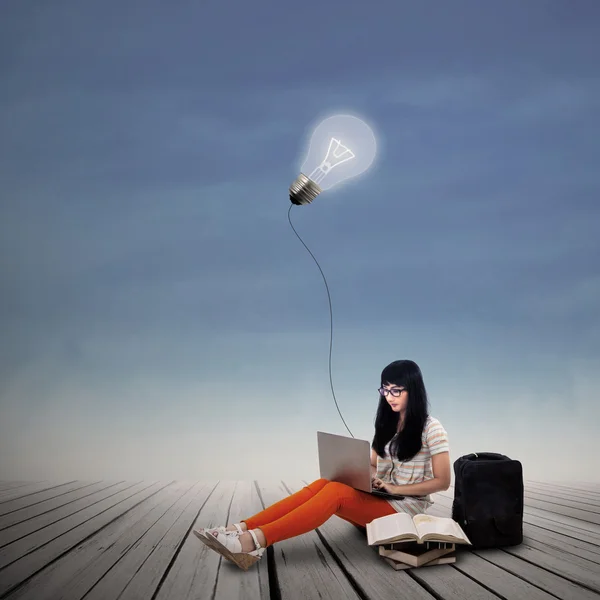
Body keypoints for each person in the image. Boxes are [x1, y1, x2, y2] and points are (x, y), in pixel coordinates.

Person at [194, 359, 451, 570]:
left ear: (413, 390)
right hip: (383, 498)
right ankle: (237, 529)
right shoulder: (387, 424)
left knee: (335, 493)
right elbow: (375, 462)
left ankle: (251, 542)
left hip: (406, 510)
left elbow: (443, 481)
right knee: (324, 483)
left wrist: (395, 490)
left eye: (397, 390)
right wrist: (358, 470)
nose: (389, 397)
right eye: (385, 389)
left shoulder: (432, 428)